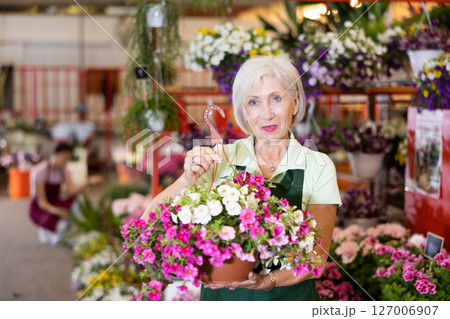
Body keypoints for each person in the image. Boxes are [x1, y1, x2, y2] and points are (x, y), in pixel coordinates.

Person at [141, 55, 342, 300]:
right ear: (244, 112)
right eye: (254, 102)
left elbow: (316, 260)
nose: (266, 114)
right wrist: (186, 180)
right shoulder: (218, 159)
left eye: (276, 99)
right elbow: (147, 223)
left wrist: (266, 281)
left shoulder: (318, 166)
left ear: (296, 104)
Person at [29, 143, 101, 245]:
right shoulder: (40, 171)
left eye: (68, 158)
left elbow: (72, 191)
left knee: (79, 200)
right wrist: (58, 211)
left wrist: (88, 181)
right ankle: (47, 230)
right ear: (55, 154)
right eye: (64, 157)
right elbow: (42, 203)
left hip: (55, 202)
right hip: (42, 208)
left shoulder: (63, 170)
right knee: (60, 228)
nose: (66, 161)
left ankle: (85, 230)